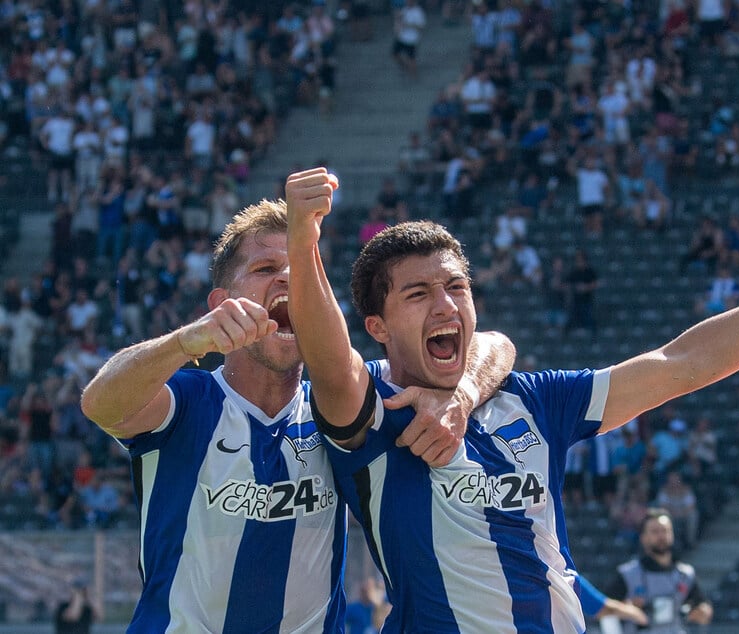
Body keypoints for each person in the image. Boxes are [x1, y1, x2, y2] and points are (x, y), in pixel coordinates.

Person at [285, 166, 739, 632]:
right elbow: (329, 359)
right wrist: (303, 239)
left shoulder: (535, 402)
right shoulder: (373, 413)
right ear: (378, 327)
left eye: (457, 287)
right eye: (417, 294)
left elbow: (685, 362)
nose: (445, 305)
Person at [80, 198, 513, 631]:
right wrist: (183, 344)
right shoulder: (188, 400)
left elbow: (495, 344)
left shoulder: (345, 404)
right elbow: (101, 403)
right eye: (266, 269)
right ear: (221, 301)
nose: (288, 279)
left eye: (303, 272)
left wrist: (463, 393)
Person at [608, 509, 713, 632]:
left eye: (665, 531)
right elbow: (604, 610)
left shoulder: (685, 575)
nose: (661, 536)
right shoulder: (628, 575)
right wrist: (625, 609)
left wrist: (703, 611)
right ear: (643, 537)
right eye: (655, 532)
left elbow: (703, 606)